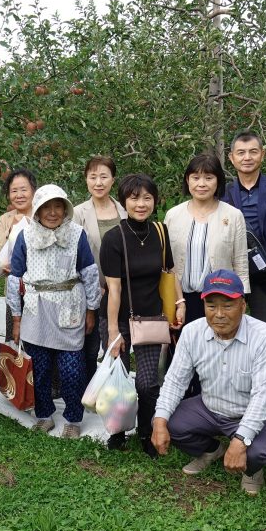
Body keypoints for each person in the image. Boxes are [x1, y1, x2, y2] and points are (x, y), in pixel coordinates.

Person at [150, 270, 266, 496]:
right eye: (211, 306)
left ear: (243, 305)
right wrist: (159, 421)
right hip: (210, 408)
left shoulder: (265, 338)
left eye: (228, 306)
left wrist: (241, 440)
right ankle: (212, 450)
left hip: (255, 410)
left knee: (256, 453)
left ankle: (252, 470)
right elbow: (174, 380)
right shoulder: (192, 332)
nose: (219, 314)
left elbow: (263, 397)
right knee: (167, 421)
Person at [6, 185, 101, 438]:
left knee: (72, 368)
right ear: (37, 211)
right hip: (36, 310)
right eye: (46, 207)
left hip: (70, 306)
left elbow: (90, 274)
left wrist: (91, 310)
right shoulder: (25, 236)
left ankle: (73, 417)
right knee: (39, 368)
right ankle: (44, 414)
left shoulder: (77, 235)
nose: (52, 212)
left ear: (65, 209)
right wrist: (16, 318)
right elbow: (15, 279)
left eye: (58, 206)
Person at [101, 174, 184, 456]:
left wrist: (179, 301)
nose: (141, 203)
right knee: (118, 381)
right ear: (125, 201)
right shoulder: (113, 238)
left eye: (147, 197)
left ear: (155, 201)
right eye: (135, 198)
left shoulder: (160, 233)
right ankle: (118, 431)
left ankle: (147, 432)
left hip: (150, 319)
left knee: (147, 383)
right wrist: (113, 330)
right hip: (119, 318)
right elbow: (113, 289)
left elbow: (169, 273)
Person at [164, 152, 249, 328]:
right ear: (188, 180)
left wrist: (241, 300)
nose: (201, 184)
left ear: (218, 181)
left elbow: (240, 262)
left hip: (220, 300)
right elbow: (165, 263)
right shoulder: (173, 215)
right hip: (181, 301)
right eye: (195, 178)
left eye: (208, 178)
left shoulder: (233, 215)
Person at [221, 131, 266, 330]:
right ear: (231, 157)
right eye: (241, 153)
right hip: (231, 273)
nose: (247, 157)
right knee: (227, 331)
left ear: (262, 154)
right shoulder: (221, 193)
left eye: (253, 152)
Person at [72, 155, 127, 384]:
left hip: (121, 290)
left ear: (113, 180)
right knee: (89, 342)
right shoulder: (78, 213)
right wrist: (96, 286)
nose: (98, 182)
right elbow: (74, 256)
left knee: (117, 342)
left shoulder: (125, 211)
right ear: (86, 180)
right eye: (93, 177)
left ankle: (115, 390)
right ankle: (88, 389)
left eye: (104, 176)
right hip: (90, 291)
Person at [0, 168, 37, 339]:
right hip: (15, 290)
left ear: (33, 191)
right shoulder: (6, 219)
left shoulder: (44, 215)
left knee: (39, 341)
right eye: (14, 191)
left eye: (24, 189)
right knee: (14, 339)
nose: (19, 195)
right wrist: (11, 229)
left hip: (40, 290)